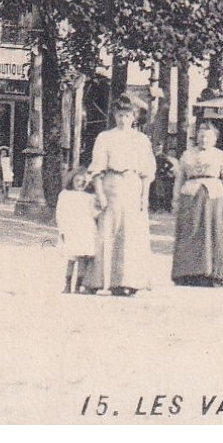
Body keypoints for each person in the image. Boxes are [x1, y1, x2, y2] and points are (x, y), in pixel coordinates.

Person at [85, 96, 157, 296]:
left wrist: (145, 196)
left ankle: (129, 281)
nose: (123, 119)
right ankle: (102, 280)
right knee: (109, 230)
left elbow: (147, 171)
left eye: (127, 115)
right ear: (114, 116)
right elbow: (97, 169)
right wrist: (100, 193)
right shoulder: (105, 137)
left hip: (133, 186)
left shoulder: (141, 140)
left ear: (134, 117)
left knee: (131, 234)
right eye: (119, 115)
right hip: (112, 185)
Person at [171, 121, 223, 287]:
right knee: (190, 232)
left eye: (207, 136)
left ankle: (214, 274)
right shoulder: (187, 154)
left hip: (213, 196)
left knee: (212, 232)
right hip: (190, 195)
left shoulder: (221, 155)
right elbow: (180, 179)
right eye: (200, 135)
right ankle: (187, 274)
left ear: (215, 138)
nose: (204, 139)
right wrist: (176, 200)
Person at [56, 168, 99, 294]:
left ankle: (78, 285)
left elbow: (94, 213)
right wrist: (62, 230)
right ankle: (67, 285)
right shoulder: (65, 195)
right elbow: (60, 213)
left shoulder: (90, 197)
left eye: (83, 181)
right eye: (77, 180)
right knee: (71, 258)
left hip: (86, 229)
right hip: (71, 228)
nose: (80, 183)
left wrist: (100, 208)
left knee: (83, 258)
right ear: (72, 180)